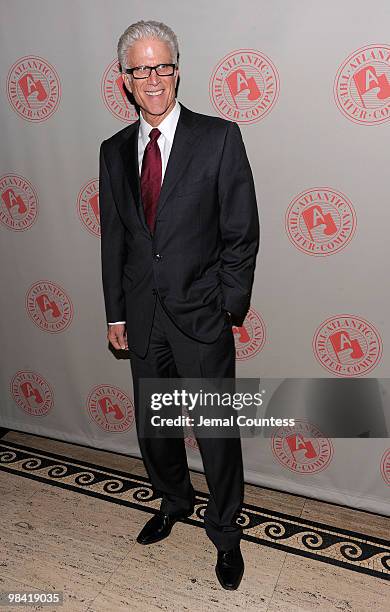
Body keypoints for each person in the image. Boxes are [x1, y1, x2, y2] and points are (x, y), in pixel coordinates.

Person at [99, 19, 260, 590]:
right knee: (155, 426)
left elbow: (242, 232)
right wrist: (116, 312)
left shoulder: (219, 137)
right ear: (125, 79)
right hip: (143, 317)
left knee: (215, 431)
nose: (153, 78)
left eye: (162, 66)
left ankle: (225, 531)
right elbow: (115, 238)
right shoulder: (114, 150)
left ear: (176, 70)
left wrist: (225, 305)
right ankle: (173, 501)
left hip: (200, 316)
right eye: (140, 69)